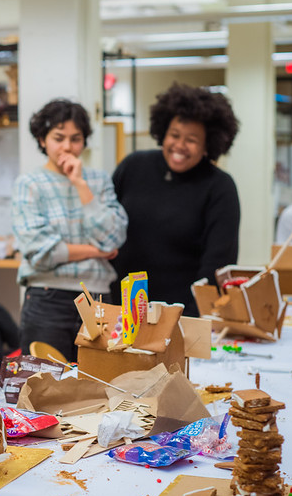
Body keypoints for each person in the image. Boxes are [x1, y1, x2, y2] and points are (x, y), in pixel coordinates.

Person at [110, 82, 240, 316]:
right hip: (120, 309)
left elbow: (218, 262)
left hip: (179, 314)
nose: (179, 146)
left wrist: (191, 316)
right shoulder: (133, 167)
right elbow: (105, 225)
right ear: (163, 132)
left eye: (191, 139)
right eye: (174, 135)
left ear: (208, 145)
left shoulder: (219, 187)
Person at [12, 99, 128, 362]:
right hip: (47, 298)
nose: (67, 146)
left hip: (100, 299)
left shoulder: (98, 180)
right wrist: (97, 250)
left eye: (76, 139)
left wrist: (79, 183)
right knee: (44, 387)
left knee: (100, 382)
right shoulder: (29, 183)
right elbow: (39, 251)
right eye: (58, 138)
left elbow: (114, 236)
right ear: (42, 140)